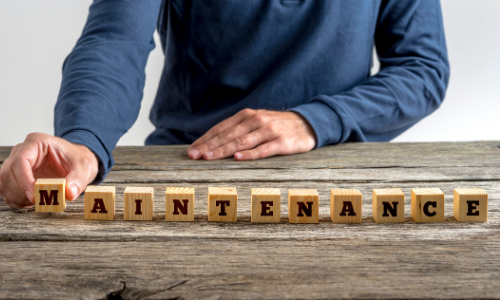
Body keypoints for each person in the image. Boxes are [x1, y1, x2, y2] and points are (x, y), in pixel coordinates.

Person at [0, 0, 449, 209]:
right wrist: (83, 139)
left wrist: (313, 121)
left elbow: (422, 68)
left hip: (338, 178)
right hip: (187, 172)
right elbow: (116, 39)